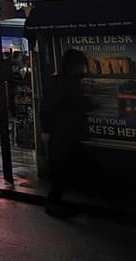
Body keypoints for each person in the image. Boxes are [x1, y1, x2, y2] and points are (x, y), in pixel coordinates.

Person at [40, 48, 93, 218]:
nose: (82, 69)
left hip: (69, 132)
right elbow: (48, 107)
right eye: (80, 65)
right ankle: (54, 204)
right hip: (61, 134)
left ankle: (57, 202)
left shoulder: (68, 81)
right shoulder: (61, 82)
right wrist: (46, 130)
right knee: (61, 170)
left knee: (67, 168)